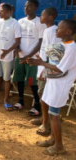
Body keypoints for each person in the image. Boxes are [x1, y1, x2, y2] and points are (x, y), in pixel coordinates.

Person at [28, 19, 76, 156]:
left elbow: (60, 69)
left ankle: (59, 146)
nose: (56, 29)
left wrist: (41, 63)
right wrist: (44, 68)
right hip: (53, 82)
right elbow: (54, 62)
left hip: (60, 86)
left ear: (68, 32)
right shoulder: (62, 44)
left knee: (54, 115)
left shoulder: (72, 48)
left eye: (59, 28)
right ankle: (52, 140)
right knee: (50, 112)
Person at [30, 7, 61, 136]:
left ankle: (46, 123)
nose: (40, 17)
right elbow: (46, 51)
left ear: (50, 17)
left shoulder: (53, 31)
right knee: (41, 93)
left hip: (47, 69)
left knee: (44, 96)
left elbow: (55, 54)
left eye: (42, 15)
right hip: (42, 66)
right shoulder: (47, 30)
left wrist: (46, 70)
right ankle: (44, 118)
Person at [13, 0, 46, 116]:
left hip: (32, 59)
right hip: (21, 57)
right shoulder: (20, 21)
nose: (26, 8)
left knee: (32, 82)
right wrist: (16, 48)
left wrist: (29, 55)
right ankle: (20, 100)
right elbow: (17, 38)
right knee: (20, 79)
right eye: (25, 6)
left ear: (35, 8)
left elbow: (41, 42)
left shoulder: (40, 23)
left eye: (29, 6)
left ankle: (37, 105)